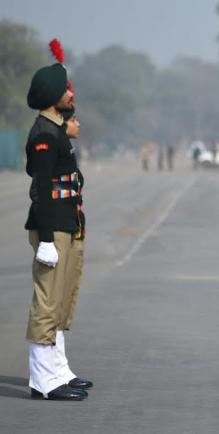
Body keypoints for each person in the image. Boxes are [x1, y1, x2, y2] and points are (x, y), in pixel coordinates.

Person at [24, 50, 92, 400]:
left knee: (63, 300)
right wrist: (47, 239)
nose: (72, 94)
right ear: (53, 97)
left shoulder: (55, 130)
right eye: (66, 89)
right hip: (53, 227)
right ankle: (42, 379)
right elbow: (43, 190)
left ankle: (58, 370)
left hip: (70, 223)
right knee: (47, 302)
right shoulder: (44, 135)